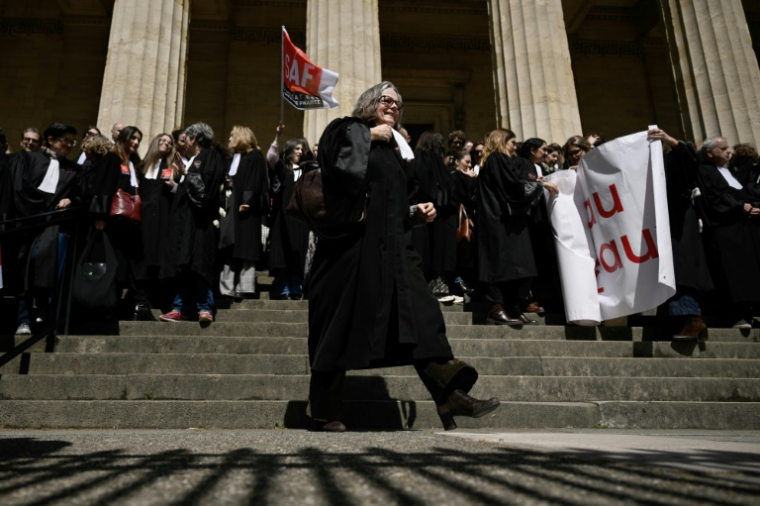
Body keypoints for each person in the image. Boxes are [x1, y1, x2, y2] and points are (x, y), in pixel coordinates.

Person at [307, 81, 500, 432]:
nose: (393, 106)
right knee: (339, 325)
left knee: (421, 315)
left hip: (394, 251)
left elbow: (382, 202)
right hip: (350, 253)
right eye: (386, 100)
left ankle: (449, 392)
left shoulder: (395, 152)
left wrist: (413, 213)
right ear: (369, 104)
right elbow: (339, 173)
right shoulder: (347, 129)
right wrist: (370, 137)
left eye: (398, 103)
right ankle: (324, 409)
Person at [477, 129, 558, 326]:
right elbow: (512, 187)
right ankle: (496, 308)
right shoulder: (497, 158)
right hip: (500, 220)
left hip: (504, 220)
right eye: (512, 142)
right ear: (501, 141)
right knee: (501, 264)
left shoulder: (492, 161)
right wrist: (540, 186)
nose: (515, 146)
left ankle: (513, 308)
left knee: (512, 266)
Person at [11, 123, 81, 334]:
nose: (69, 145)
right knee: (23, 271)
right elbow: (20, 189)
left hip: (52, 224)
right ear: (50, 140)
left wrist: (71, 199)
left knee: (45, 268)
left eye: (71, 141)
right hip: (27, 222)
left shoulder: (73, 168)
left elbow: (80, 194)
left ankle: (43, 313)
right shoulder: (28, 159)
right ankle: (22, 319)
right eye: (65, 140)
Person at [647, 128, 714, 339]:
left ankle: (692, 320)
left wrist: (673, 142)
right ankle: (677, 320)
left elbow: (690, 163)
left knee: (680, 273)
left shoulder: (677, 163)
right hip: (663, 227)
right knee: (669, 272)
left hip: (678, 228)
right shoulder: (658, 169)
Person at [160, 122, 225, 323]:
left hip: (200, 224)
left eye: (186, 138)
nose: (183, 142)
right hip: (185, 224)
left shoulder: (210, 156)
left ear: (194, 138)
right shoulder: (192, 160)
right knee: (183, 265)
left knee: (199, 264)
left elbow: (204, 191)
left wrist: (186, 174)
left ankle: (205, 307)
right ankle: (181, 308)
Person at [694, 137, 760, 328]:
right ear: (709, 153)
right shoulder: (705, 171)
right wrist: (740, 207)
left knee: (748, 272)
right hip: (723, 232)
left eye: (727, 148)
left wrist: (753, 207)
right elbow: (715, 199)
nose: (728, 151)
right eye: (723, 149)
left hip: (743, 230)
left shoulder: (728, 171)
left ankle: (748, 312)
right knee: (732, 274)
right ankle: (734, 314)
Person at [88, 126, 152, 321]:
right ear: (123, 138)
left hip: (131, 223)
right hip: (114, 221)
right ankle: (111, 307)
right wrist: (100, 216)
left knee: (132, 263)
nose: (136, 142)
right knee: (114, 263)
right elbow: (104, 185)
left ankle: (139, 304)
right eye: (133, 138)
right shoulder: (112, 158)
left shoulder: (133, 163)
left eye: (138, 140)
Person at [218, 126, 269, 299]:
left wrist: (248, 201)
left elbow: (256, 181)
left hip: (247, 210)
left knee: (246, 249)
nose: (229, 139)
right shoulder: (232, 158)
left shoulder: (254, 156)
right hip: (232, 207)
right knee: (229, 248)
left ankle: (244, 287)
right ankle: (226, 288)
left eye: (232, 135)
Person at [409, 132, 460, 302]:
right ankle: (437, 285)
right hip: (439, 215)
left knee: (423, 251)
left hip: (422, 212)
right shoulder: (437, 163)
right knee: (438, 251)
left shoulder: (415, 160)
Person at [138, 133, 180, 310]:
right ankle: (140, 296)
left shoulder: (172, 167)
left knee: (159, 255)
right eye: (163, 141)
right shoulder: (141, 166)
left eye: (170, 143)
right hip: (143, 217)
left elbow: (179, 194)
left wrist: (174, 186)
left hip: (163, 218)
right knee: (142, 254)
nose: (166, 144)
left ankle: (157, 296)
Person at [268, 133, 311, 300]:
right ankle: (284, 288)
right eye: (297, 148)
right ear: (290, 150)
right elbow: (271, 157)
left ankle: (296, 287)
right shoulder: (282, 168)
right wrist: (277, 137)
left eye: (302, 149)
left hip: (300, 219)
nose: (300, 152)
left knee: (298, 253)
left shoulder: (306, 169)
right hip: (283, 218)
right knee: (283, 254)